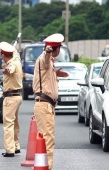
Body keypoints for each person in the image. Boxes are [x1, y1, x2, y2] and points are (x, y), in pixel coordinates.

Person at [32, 33, 69, 169]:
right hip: (44, 105)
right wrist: (48, 51)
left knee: (44, 138)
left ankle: (43, 166)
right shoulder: (44, 58)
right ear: (56, 49)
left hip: (46, 105)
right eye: (58, 48)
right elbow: (45, 59)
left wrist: (55, 73)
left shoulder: (50, 64)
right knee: (48, 139)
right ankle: (46, 167)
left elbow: (46, 69)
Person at [0, 41, 23, 157]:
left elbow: (10, 69)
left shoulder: (11, 64)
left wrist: (7, 70)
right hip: (18, 96)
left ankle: (10, 150)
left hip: (10, 97)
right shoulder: (17, 60)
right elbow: (16, 53)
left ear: (3, 55)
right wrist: (13, 48)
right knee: (15, 123)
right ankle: (16, 146)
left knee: (8, 124)